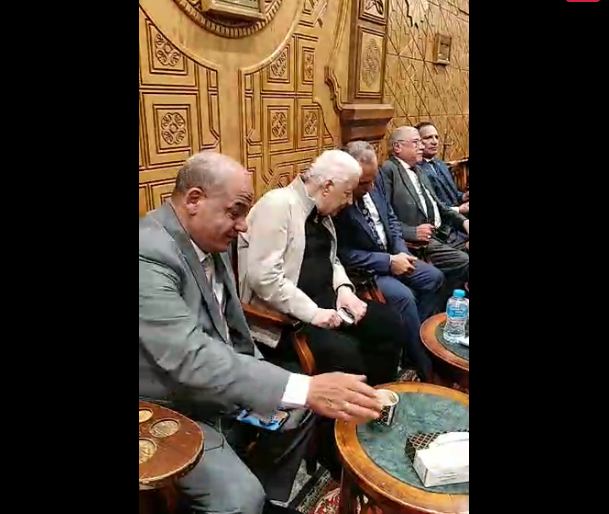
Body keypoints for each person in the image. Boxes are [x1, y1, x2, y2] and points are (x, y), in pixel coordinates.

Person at [140, 151, 383, 514]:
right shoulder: (148, 254)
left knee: (299, 412)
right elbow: (189, 357)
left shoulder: (207, 239)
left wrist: (276, 386)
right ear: (194, 200)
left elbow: (231, 331)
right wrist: (303, 388)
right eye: (235, 212)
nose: (243, 226)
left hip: (218, 380)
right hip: (171, 406)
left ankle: (267, 494)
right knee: (241, 498)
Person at [238, 149, 402, 387]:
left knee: (390, 322)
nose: (349, 201)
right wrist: (314, 313)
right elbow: (264, 278)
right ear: (327, 186)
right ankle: (359, 404)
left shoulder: (321, 212)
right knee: (347, 354)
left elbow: (332, 259)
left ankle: (380, 395)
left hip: (327, 300)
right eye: (346, 193)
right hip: (287, 317)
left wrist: (344, 290)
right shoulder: (278, 205)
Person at [333, 141, 445, 380]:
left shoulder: (375, 182)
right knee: (404, 298)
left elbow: (391, 220)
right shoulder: (339, 201)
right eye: (364, 183)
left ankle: (413, 345)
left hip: (395, 254)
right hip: (367, 271)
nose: (371, 186)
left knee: (434, 277)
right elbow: (343, 254)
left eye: (373, 180)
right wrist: (388, 261)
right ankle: (425, 368)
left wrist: (402, 252)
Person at [381, 126, 469, 293]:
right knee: (465, 261)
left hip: (443, 232)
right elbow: (384, 217)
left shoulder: (419, 169)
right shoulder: (388, 170)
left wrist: (464, 222)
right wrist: (411, 232)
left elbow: (440, 206)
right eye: (416, 142)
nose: (421, 146)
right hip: (420, 242)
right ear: (398, 147)